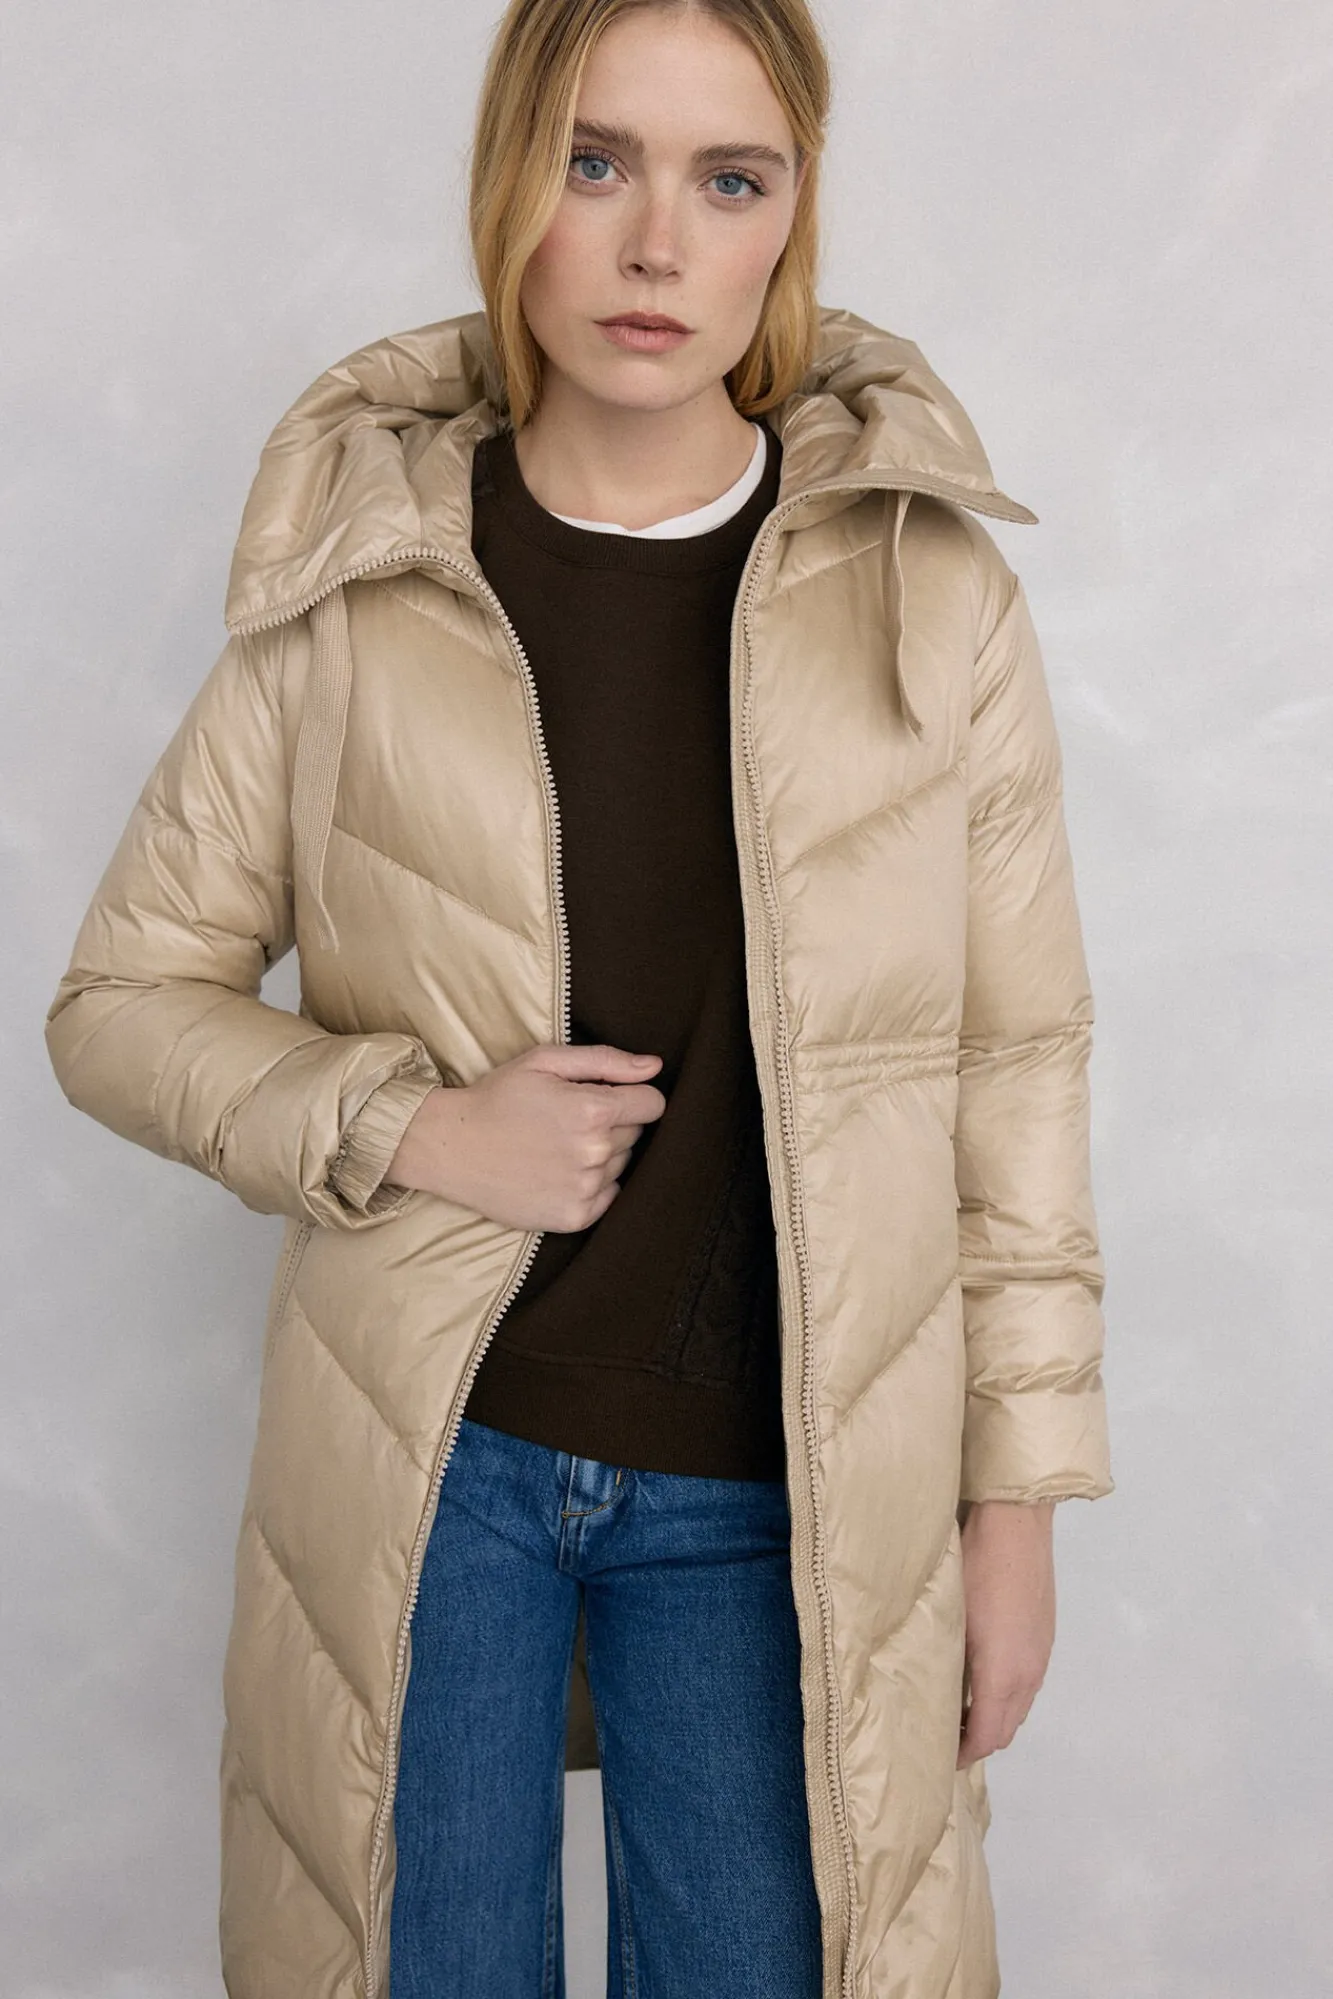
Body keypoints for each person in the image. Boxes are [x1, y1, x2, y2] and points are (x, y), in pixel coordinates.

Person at [44, 0, 1114, 1993]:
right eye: (595, 161)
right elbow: (119, 999)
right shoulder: (362, 585)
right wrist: (413, 1126)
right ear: (508, 179)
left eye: (731, 179)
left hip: (779, 1481)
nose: (656, 244)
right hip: (429, 1462)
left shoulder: (929, 596)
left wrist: (1018, 1507)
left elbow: (1015, 1073)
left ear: (791, 217)